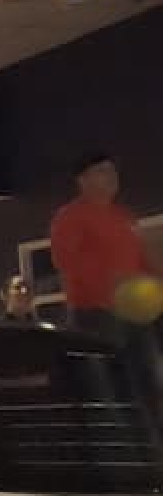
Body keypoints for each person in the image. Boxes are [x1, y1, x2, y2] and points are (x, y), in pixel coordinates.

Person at [50, 151, 162, 430]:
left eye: (114, 172)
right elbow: (68, 261)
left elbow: (142, 262)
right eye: (103, 171)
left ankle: (153, 452)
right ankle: (124, 456)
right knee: (111, 390)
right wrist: (112, 287)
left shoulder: (124, 217)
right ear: (83, 179)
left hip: (135, 314)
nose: (112, 178)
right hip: (96, 315)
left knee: (150, 383)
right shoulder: (70, 217)